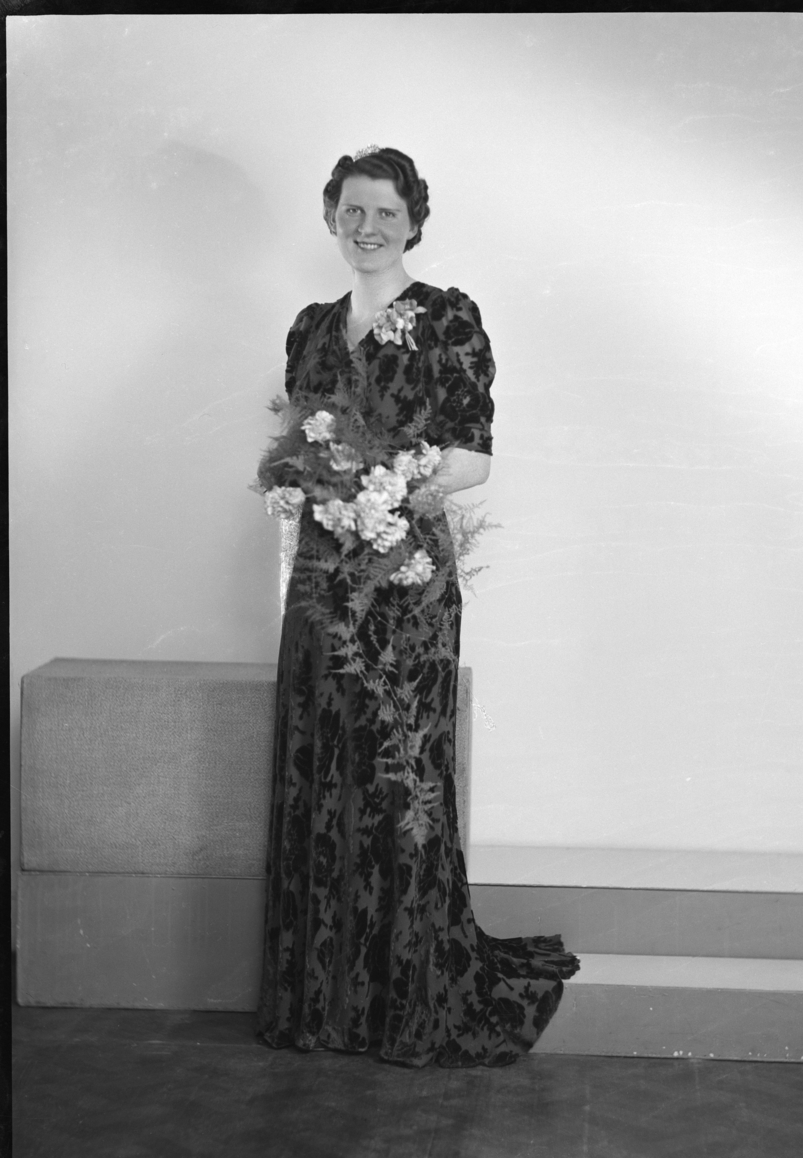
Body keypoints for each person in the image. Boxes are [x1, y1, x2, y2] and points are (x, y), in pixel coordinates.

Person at [255, 146, 579, 1068]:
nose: (367, 229)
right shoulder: (311, 327)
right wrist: (309, 488)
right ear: (331, 216)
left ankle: (404, 1001)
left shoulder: (447, 318)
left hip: (405, 576)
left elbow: (470, 458)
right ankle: (323, 1007)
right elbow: (298, 447)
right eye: (353, 211)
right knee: (322, 761)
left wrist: (384, 492)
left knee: (399, 772)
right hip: (323, 576)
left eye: (386, 214)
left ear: (413, 223)